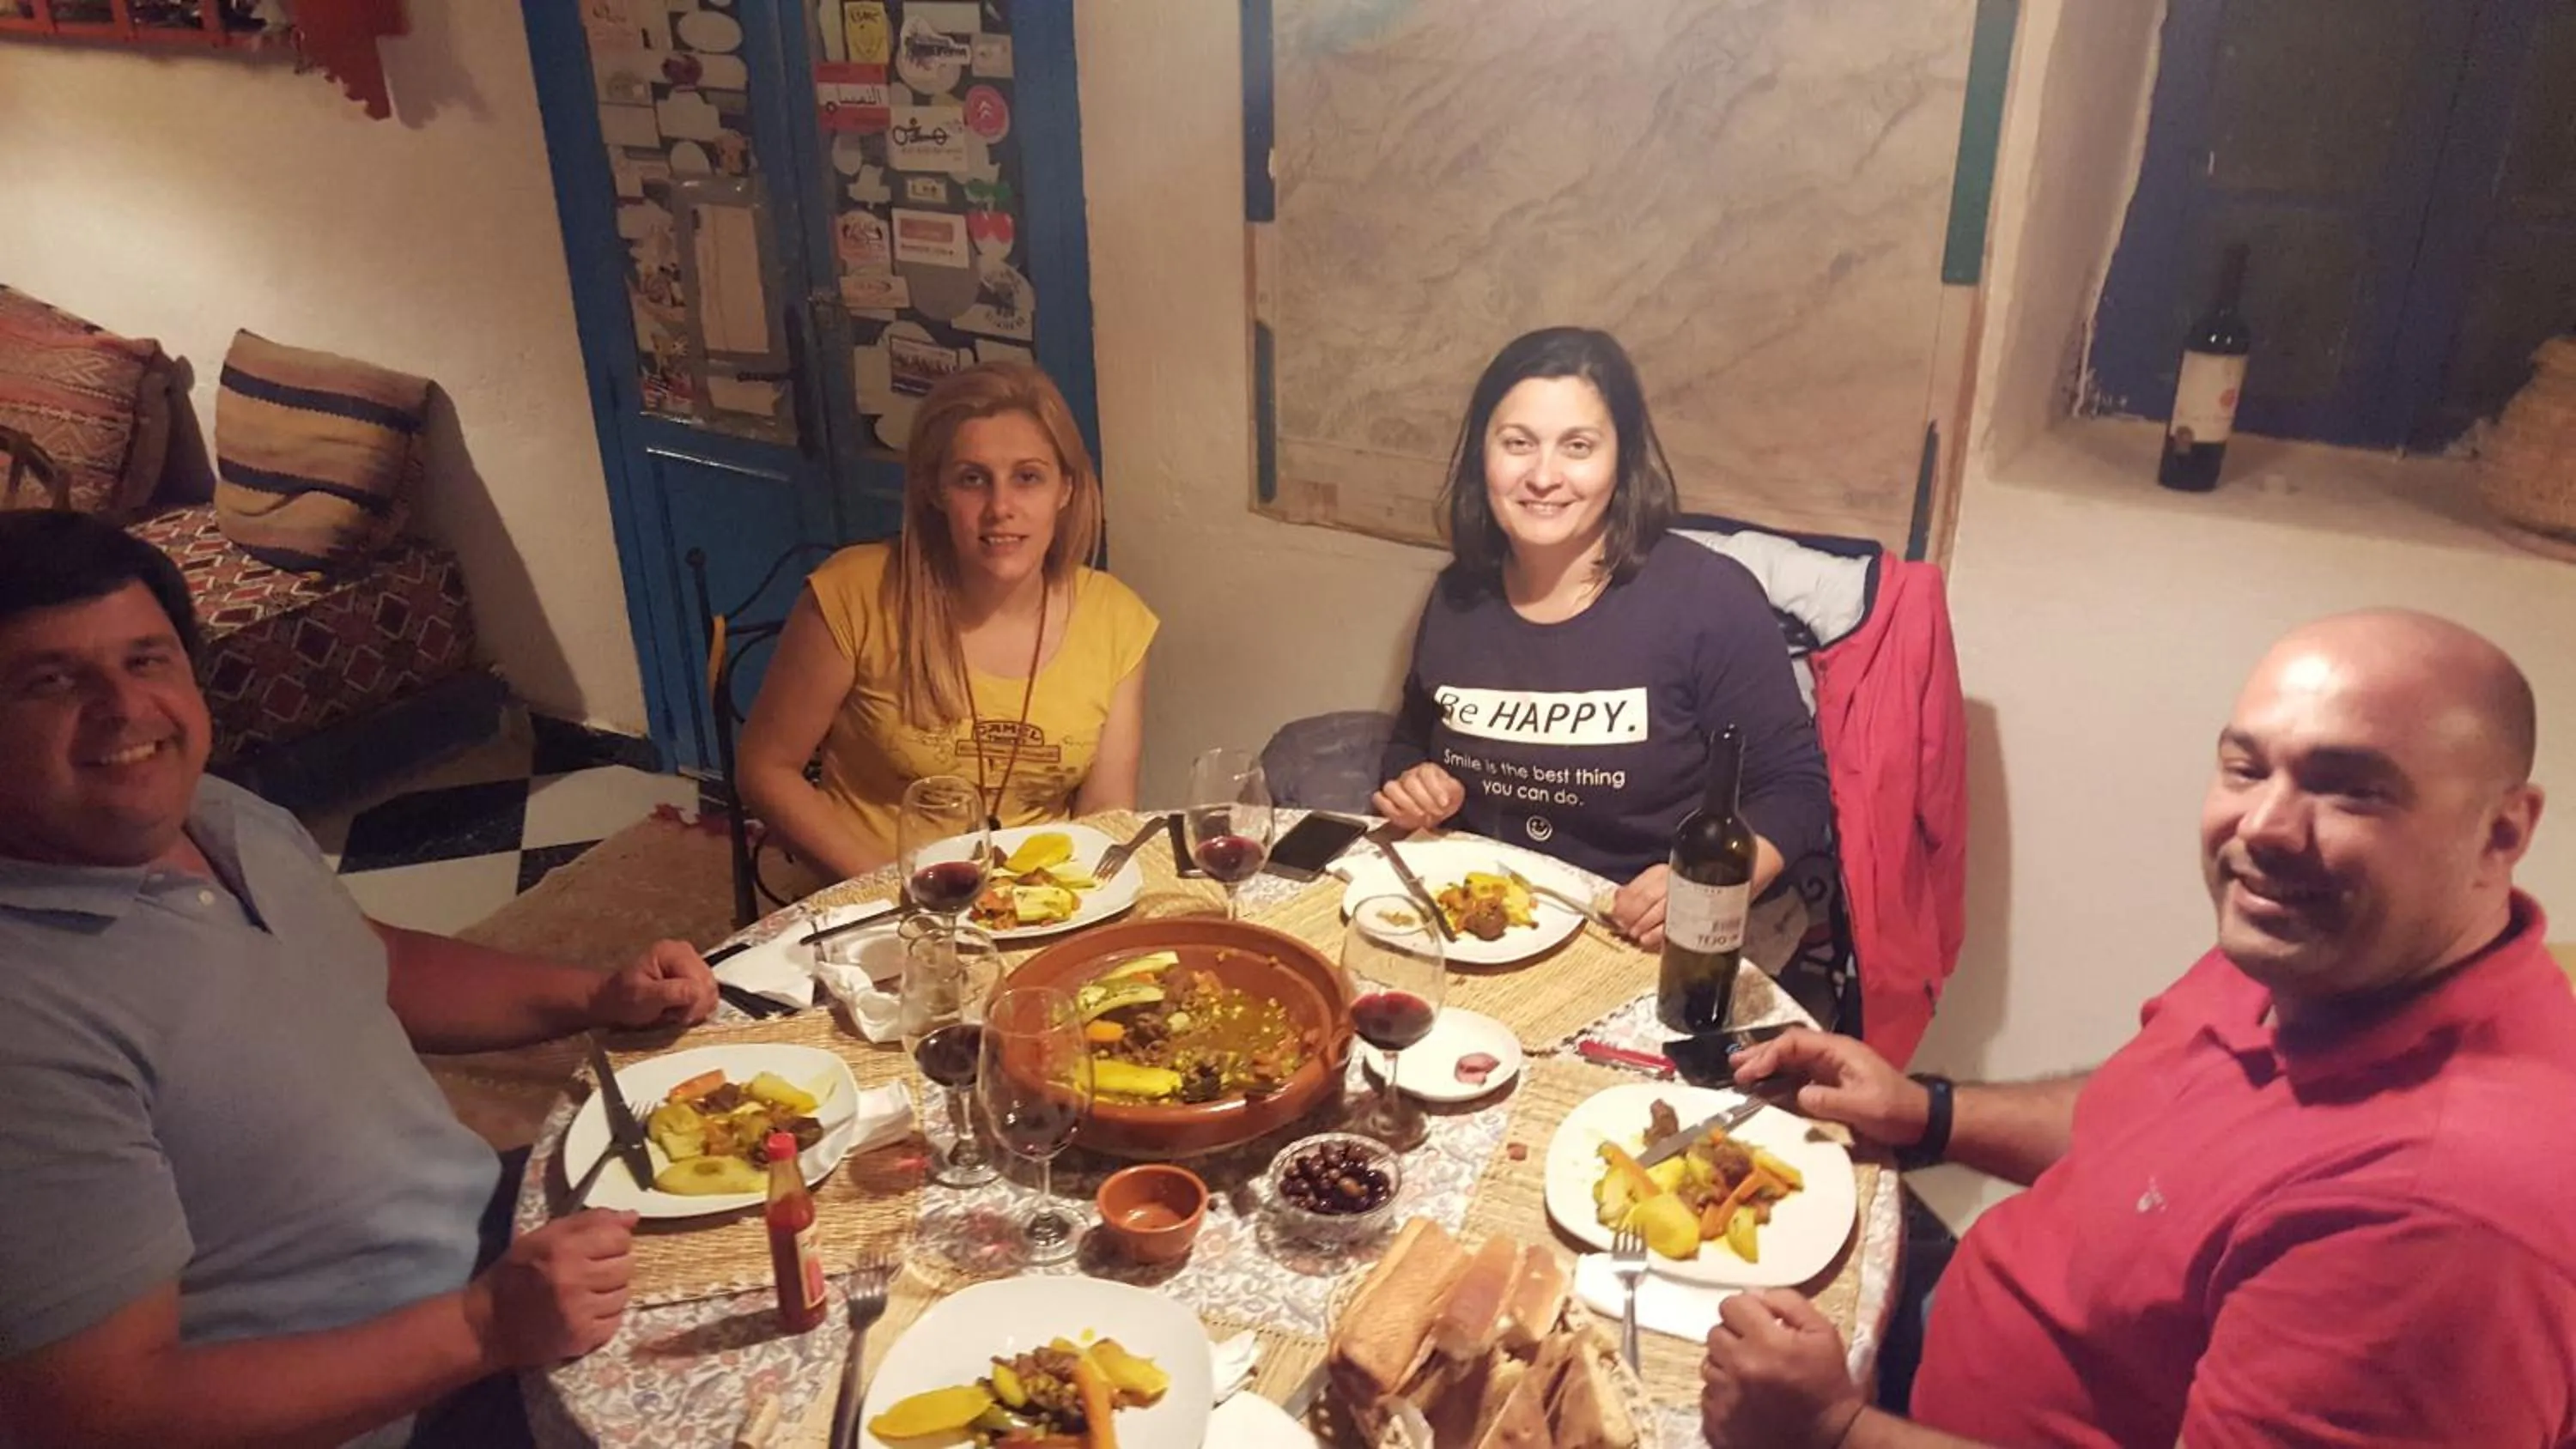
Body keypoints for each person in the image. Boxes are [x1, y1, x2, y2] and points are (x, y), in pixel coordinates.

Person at [1698, 610, 2576, 1449]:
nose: (2265, 825)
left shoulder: (2442, 1224)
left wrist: (1833, 1430)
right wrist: (1926, 1111)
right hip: (1943, 1333)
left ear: (2504, 829)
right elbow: (2153, 1130)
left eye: (2351, 788)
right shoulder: (2327, 949)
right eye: (2246, 767)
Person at [0, 511, 721, 1448]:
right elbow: (101, 1412)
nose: (123, 708)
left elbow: (369, 962)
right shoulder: (24, 1023)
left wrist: (595, 994)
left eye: (146, 660)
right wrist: (485, 1325)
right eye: (51, 682)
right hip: (399, 1403)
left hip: (490, 1236)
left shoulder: (221, 810)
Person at [1372, 327, 1832, 949]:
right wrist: (1415, 782)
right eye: (1517, 444)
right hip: (1481, 922)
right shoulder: (1459, 595)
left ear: (1623, 459)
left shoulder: (1708, 599)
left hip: (1634, 936)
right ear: (1483, 454)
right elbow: (1410, 740)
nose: (1543, 475)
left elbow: (1797, 789)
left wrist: (1709, 880)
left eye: (1578, 446)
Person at [739, 361, 1157, 881]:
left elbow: (1104, 818)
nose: (1000, 507)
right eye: (972, 479)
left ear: (1065, 489)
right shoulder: (854, 592)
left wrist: (1066, 909)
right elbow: (765, 769)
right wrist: (890, 893)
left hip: (1038, 901)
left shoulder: (1116, 618)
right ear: (935, 490)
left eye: (1028, 477)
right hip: (870, 899)